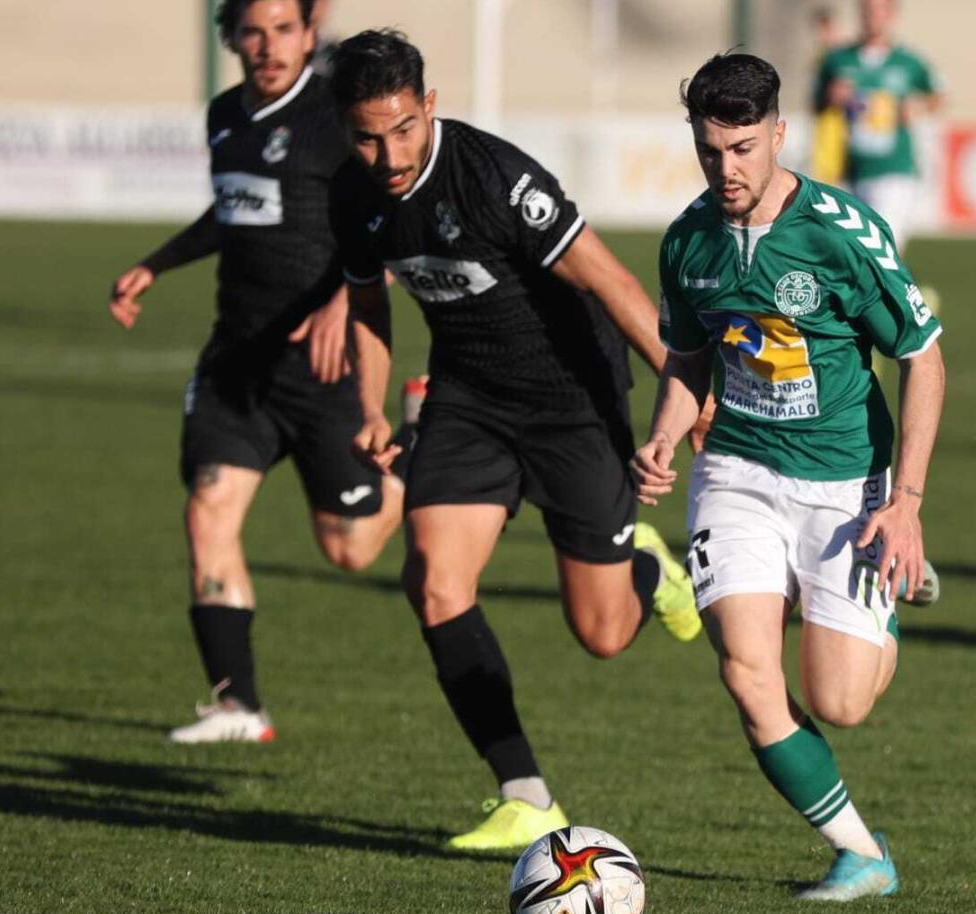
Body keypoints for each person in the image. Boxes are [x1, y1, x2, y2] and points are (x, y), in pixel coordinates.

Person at [326, 29, 702, 851]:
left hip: (573, 401)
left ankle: (647, 569)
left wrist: (687, 391)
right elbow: (368, 305)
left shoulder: (496, 178)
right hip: (469, 401)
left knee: (602, 634)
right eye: (367, 136)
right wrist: (370, 408)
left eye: (403, 128)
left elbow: (611, 280)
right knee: (434, 583)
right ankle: (525, 794)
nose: (389, 154)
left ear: (429, 106)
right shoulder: (351, 194)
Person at [633, 53, 946, 901]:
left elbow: (923, 358)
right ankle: (861, 853)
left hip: (845, 483)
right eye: (710, 151)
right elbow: (687, 357)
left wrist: (907, 505)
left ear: (777, 134)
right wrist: (663, 435)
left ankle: (890, 589)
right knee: (746, 671)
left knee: (839, 702)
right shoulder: (688, 240)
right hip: (735, 470)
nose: (726, 169)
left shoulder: (842, 233)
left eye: (742, 149)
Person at [106, 0, 402, 744]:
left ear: (309, 34)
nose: (268, 45)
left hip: (322, 368)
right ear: (231, 37)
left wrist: (345, 300)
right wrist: (156, 264)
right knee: (208, 509)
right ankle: (238, 704)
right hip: (236, 361)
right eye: (253, 30)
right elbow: (232, 210)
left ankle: (416, 446)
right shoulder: (223, 116)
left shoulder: (337, 118)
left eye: (283, 30)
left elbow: (395, 218)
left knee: (350, 548)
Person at [813, 0, 941, 253]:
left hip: (894, 169)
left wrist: (916, 107)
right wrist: (831, 97)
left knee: (882, 247)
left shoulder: (908, 61)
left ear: (892, 15)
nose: (872, 17)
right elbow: (816, 104)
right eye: (867, 10)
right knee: (852, 251)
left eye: (879, 11)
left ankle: (890, 280)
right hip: (852, 171)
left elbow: (936, 97)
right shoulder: (839, 60)